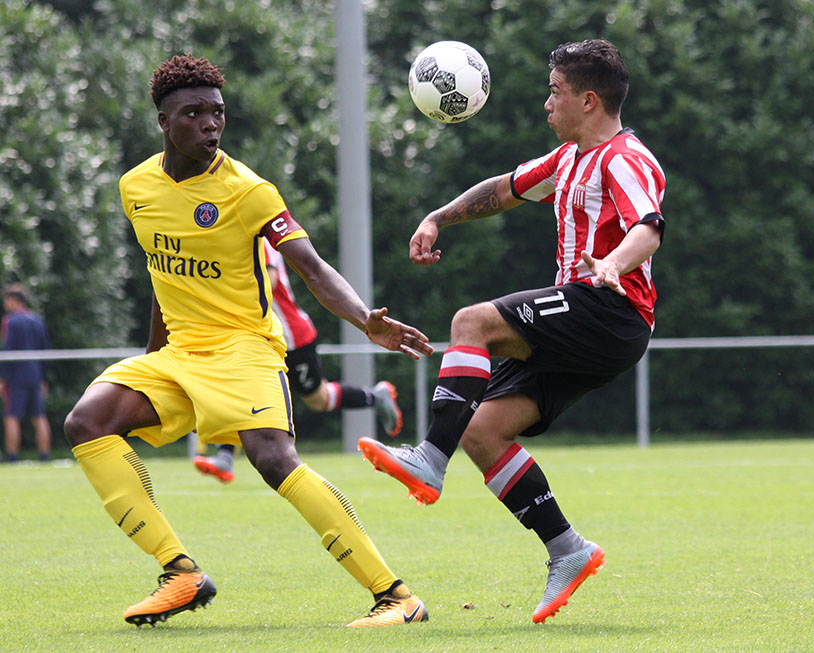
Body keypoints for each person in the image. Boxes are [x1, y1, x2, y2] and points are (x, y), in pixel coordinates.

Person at [63, 55, 433, 629]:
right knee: (88, 421)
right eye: (194, 114)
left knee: (272, 458)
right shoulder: (135, 186)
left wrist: (365, 319)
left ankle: (396, 596)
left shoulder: (249, 190)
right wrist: (152, 354)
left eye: (218, 113)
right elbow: (163, 277)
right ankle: (180, 572)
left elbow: (311, 268)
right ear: (164, 121)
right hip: (180, 353)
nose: (210, 125)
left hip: (245, 348)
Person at [358, 39, 665, 624]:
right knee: (483, 432)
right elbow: (504, 188)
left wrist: (613, 262)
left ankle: (428, 457)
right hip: (591, 320)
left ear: (589, 99)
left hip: (610, 310)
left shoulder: (623, 158)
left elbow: (648, 227)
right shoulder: (569, 158)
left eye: (555, 92)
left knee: (471, 322)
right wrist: (438, 216)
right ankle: (567, 549)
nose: (546, 103)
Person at [192, 238, 403, 484]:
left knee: (318, 398)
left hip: (291, 336)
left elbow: (267, 281)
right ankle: (225, 458)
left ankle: (374, 397)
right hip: (260, 337)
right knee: (239, 389)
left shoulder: (257, 239)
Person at [1, 284, 53, 463]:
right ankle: (44, 457)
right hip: (36, 375)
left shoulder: (9, 321)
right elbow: (45, 350)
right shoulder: (37, 320)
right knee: (39, 417)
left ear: (14, 301)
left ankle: (12, 458)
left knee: (11, 417)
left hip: (16, 377)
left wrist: (3, 378)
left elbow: (8, 350)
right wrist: (43, 379)